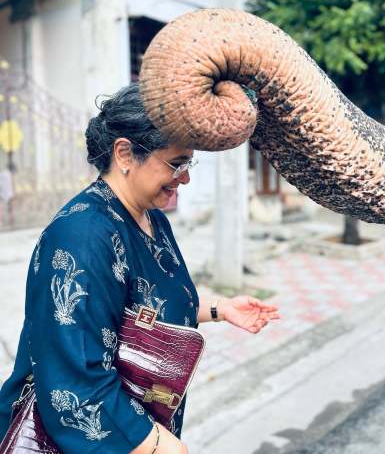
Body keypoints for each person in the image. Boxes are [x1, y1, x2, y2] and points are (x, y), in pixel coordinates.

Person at [0, 84, 280, 453]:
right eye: (176, 163)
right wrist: (156, 445)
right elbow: (76, 380)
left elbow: (140, 309)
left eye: (188, 163)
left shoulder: (152, 220)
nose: (186, 178)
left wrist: (219, 308)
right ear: (125, 153)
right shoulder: (81, 236)